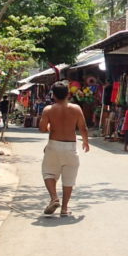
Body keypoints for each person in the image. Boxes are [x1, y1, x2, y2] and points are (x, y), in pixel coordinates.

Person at [38, 81, 90, 217]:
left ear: (53, 95)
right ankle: (64, 209)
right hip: (70, 147)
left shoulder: (48, 110)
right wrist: (85, 142)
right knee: (69, 179)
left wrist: (50, 127)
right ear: (68, 94)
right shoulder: (76, 109)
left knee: (48, 173)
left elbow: (42, 128)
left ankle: (54, 198)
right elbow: (83, 128)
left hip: (53, 145)